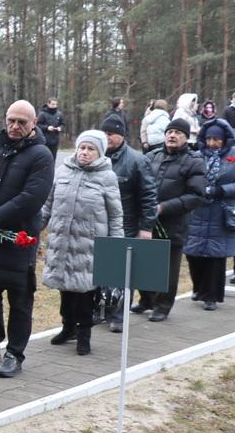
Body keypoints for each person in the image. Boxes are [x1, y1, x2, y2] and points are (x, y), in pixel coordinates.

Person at [0, 100, 54, 378]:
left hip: (19, 240)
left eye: (22, 122)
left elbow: (30, 199)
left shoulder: (41, 156)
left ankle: (14, 353)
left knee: (20, 299)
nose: (15, 127)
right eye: (11, 120)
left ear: (33, 124)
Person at [41, 131, 124, 355]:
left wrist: (116, 246)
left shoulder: (107, 177)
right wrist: (35, 226)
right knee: (65, 290)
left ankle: (84, 334)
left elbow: (116, 215)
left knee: (84, 293)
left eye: (91, 149)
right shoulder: (63, 170)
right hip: (62, 242)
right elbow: (48, 204)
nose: (85, 152)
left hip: (90, 245)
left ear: (100, 153)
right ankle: (68, 328)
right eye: (82, 148)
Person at [131, 118, 207, 321]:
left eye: (178, 133)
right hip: (147, 221)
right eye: (169, 132)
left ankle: (163, 306)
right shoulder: (152, 156)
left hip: (174, 224)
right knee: (143, 262)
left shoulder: (194, 161)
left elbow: (196, 196)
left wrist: (163, 207)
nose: (172, 135)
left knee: (167, 268)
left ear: (186, 137)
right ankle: (146, 299)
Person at [101, 116, 157, 332]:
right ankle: (101, 311)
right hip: (98, 224)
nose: (107, 138)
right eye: (104, 133)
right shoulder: (96, 156)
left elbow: (149, 196)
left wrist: (146, 227)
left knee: (122, 274)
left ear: (122, 135)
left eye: (111, 134)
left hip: (127, 225)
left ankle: (118, 316)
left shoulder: (137, 160)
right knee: (100, 272)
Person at [184, 120, 235, 310]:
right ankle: (198, 288)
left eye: (216, 139)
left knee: (216, 255)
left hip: (221, 210)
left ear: (224, 140)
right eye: (209, 139)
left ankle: (212, 296)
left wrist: (220, 190)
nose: (212, 143)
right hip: (197, 209)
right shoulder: (196, 156)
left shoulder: (233, 156)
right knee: (193, 253)